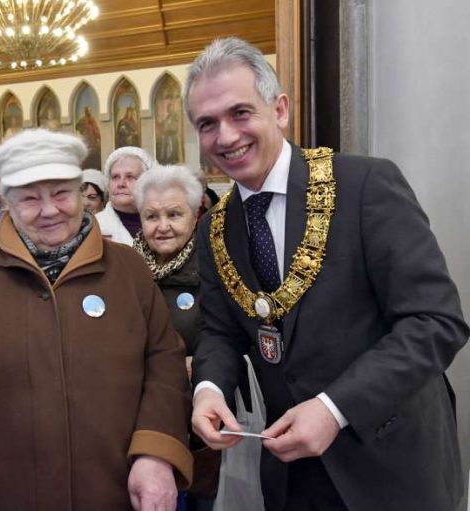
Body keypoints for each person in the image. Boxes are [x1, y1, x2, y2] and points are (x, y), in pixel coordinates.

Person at [185, 37, 468, 511]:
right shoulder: (216, 227)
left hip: (391, 463)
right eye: (207, 124)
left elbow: (435, 322)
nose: (226, 137)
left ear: (279, 109)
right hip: (293, 477)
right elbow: (219, 330)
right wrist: (208, 389)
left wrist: (334, 409)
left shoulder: (364, 186)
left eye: (240, 113)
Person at [0, 129, 192, 511]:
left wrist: (156, 453)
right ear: (4, 204)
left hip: (112, 492)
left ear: (82, 194)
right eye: (29, 198)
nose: (49, 210)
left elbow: (165, 365)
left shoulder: (127, 269)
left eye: (61, 193)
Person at [133, 164, 220, 511]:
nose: (163, 226)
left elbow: (229, 338)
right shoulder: (123, 266)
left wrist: (199, 368)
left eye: (174, 214)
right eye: (151, 216)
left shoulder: (215, 266)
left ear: (196, 213)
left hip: (194, 422)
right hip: (136, 419)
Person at [95, 146, 155, 245]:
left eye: (130, 177)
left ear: (147, 183)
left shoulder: (161, 223)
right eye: (115, 177)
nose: (121, 183)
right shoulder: (94, 227)